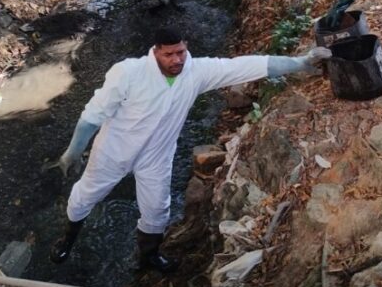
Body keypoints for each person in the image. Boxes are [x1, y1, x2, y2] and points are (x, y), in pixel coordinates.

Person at [50, 27, 331, 272]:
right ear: (155, 52)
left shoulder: (195, 72)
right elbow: (91, 118)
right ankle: (67, 239)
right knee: (86, 195)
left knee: (157, 209)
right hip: (114, 151)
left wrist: (301, 63)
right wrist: (71, 154)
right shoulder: (128, 73)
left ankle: (149, 256)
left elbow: (246, 65)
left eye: (181, 52)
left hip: (156, 156)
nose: (177, 60)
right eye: (169, 54)